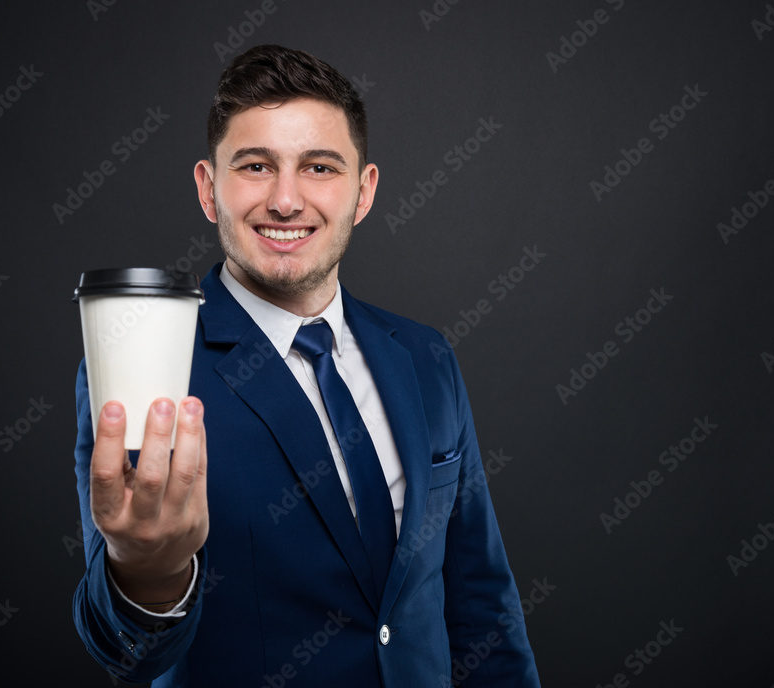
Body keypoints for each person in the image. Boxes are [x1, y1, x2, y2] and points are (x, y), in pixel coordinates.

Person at [72, 44, 541, 687]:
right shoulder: (151, 368)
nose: (286, 200)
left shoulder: (427, 357)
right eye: (256, 165)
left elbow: (482, 606)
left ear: (364, 190)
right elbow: (126, 652)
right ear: (210, 190)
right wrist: (149, 572)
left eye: (319, 167)